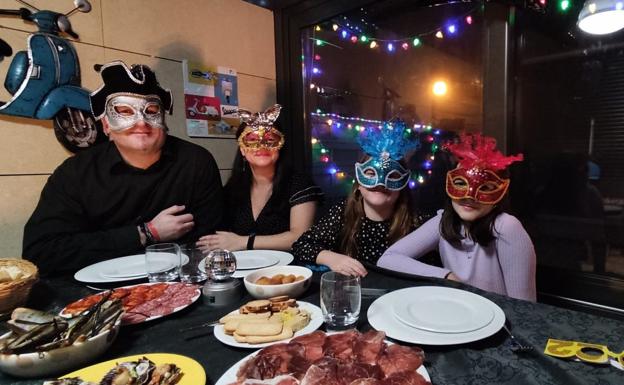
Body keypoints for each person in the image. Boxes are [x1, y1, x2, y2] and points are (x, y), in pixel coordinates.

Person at [22, 61, 224, 275]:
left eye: (152, 110)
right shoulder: (76, 174)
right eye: (125, 111)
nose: (141, 123)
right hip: (94, 291)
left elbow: (210, 243)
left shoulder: (196, 162)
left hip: (179, 281)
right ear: (106, 125)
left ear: (163, 120)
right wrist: (146, 233)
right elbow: (41, 253)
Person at [378, 134, 536, 301]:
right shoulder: (443, 221)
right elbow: (388, 259)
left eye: (486, 188)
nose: (469, 196)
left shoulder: (507, 226)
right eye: (461, 183)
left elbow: (524, 306)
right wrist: (446, 276)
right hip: (458, 315)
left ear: (500, 194)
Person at [292, 121, 419, 277]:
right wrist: (331, 258)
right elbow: (301, 245)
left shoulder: (415, 223)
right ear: (359, 183)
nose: (380, 183)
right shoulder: (343, 213)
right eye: (371, 174)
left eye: (392, 176)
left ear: (403, 184)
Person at [196, 104, 323, 252]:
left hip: (289, 271)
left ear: (280, 146)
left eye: (270, 139)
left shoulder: (299, 185)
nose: (262, 146)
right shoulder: (232, 189)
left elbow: (300, 237)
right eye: (252, 140)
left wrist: (243, 242)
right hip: (245, 269)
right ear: (243, 149)